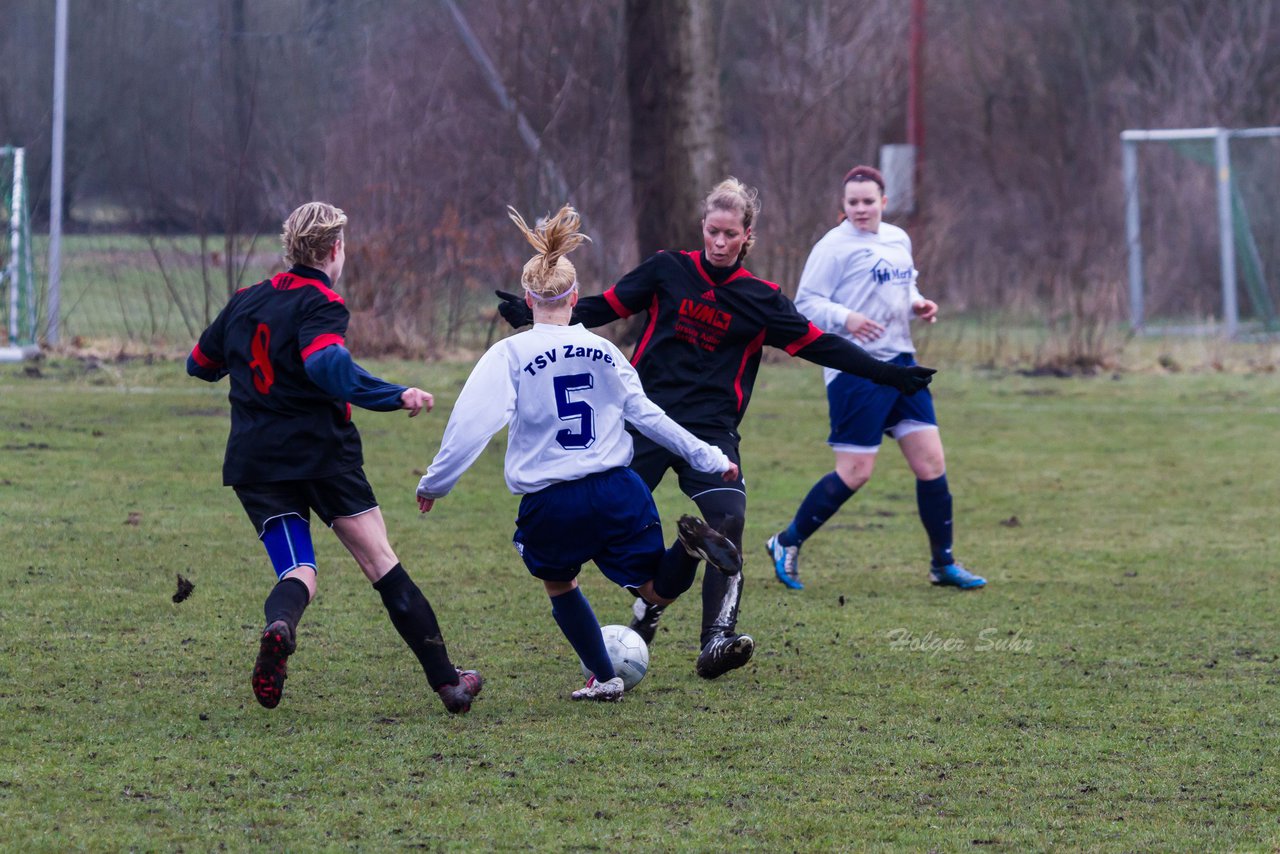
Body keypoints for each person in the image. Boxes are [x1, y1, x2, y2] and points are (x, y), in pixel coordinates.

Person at [495, 178, 936, 680]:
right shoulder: (667, 270)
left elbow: (823, 345)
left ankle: (716, 640)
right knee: (603, 518)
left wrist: (889, 372)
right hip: (645, 421)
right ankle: (648, 601)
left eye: (731, 234)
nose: (720, 242)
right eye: (712, 231)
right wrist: (533, 316)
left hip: (711, 432)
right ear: (703, 228)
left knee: (728, 522)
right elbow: (603, 307)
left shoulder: (763, 300)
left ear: (748, 235)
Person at [418, 204, 743, 702]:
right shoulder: (607, 351)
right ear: (574, 296)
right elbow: (649, 416)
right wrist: (710, 459)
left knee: (561, 584)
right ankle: (689, 548)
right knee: (654, 589)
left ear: (528, 300)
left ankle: (604, 675)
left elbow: (470, 425)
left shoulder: (510, 354)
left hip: (552, 499)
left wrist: (436, 483)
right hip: (619, 490)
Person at [187, 201, 483, 714]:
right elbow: (326, 364)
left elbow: (200, 363)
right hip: (324, 456)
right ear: (334, 249)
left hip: (257, 461)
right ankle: (449, 683)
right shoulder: (323, 302)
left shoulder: (245, 300)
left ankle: (281, 627)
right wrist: (395, 394)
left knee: (299, 570)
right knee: (381, 563)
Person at [766, 165, 985, 591]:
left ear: (884, 202)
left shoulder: (897, 238)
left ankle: (943, 564)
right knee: (856, 471)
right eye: (853, 203)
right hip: (855, 368)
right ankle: (786, 541)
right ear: (843, 206)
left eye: (869, 201)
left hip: (902, 364)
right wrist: (846, 317)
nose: (861, 209)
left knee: (931, 463)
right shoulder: (832, 246)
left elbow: (904, 288)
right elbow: (805, 302)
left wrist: (918, 304)